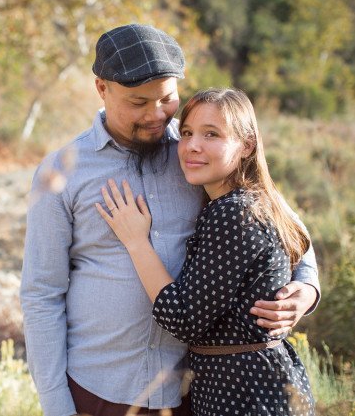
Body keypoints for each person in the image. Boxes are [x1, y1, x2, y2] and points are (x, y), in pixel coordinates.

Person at [20, 24, 320, 416]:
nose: (155, 114)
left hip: (196, 393)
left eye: (166, 99)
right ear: (102, 88)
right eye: (138, 102)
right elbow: (41, 294)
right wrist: (57, 405)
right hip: (98, 392)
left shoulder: (200, 151)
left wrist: (306, 289)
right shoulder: (63, 173)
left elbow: (283, 222)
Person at [96, 88, 315, 415]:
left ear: (247, 146)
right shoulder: (252, 201)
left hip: (247, 395)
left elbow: (182, 318)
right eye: (186, 133)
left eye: (211, 134)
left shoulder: (233, 213)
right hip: (255, 384)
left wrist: (136, 242)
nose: (192, 146)